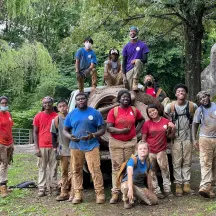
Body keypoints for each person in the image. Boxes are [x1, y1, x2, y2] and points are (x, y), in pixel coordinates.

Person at [63, 93, 106, 204]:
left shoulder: (95, 113)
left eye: (83, 99)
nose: (80, 101)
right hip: (76, 146)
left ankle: (100, 193)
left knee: (95, 169)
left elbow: (102, 129)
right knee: (76, 170)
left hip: (92, 145)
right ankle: (78, 194)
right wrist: (70, 136)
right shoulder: (71, 114)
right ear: (76, 102)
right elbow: (65, 130)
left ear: (87, 100)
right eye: (78, 99)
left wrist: (93, 135)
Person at [106, 90, 144, 204]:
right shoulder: (114, 111)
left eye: (127, 97)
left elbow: (141, 120)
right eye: (123, 97)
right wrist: (121, 131)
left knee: (129, 167)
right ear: (119, 99)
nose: (125, 99)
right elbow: (109, 128)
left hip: (130, 142)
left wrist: (135, 131)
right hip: (116, 142)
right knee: (116, 168)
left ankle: (128, 193)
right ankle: (115, 193)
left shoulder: (134, 110)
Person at [165, 84, 197, 196]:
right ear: (175, 94)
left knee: (187, 161)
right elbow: (165, 118)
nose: (181, 93)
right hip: (175, 138)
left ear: (186, 93)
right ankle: (178, 184)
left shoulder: (193, 106)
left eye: (183, 91)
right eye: (178, 91)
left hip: (188, 137)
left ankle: (186, 184)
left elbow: (197, 119)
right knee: (176, 162)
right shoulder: (170, 106)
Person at [142, 104, 175, 198]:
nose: (152, 113)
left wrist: (173, 128)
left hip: (161, 150)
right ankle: (156, 190)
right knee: (152, 171)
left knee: (165, 169)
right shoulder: (147, 124)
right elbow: (144, 139)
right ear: (148, 114)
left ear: (157, 110)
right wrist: (143, 151)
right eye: (150, 112)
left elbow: (171, 136)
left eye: (154, 110)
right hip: (150, 151)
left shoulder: (165, 121)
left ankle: (167, 190)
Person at [192, 91, 216, 198]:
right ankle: (205, 186)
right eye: (201, 99)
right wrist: (194, 139)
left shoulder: (215, 106)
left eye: (204, 97)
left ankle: (212, 188)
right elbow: (194, 125)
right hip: (205, 139)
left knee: (215, 163)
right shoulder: (199, 110)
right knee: (206, 161)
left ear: (209, 96)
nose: (203, 100)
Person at [120, 140, 158, 209]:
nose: (142, 150)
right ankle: (127, 200)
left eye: (145, 148)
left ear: (148, 150)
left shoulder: (148, 162)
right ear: (137, 150)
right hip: (128, 183)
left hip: (139, 186)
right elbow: (130, 174)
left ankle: (138, 198)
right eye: (140, 149)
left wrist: (150, 191)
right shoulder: (133, 160)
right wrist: (130, 188)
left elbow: (149, 178)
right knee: (126, 187)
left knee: (154, 201)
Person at [33, 96, 58, 197]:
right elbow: (35, 132)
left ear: (52, 103)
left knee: (54, 167)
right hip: (42, 145)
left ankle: (54, 187)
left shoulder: (56, 116)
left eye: (49, 102)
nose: (47, 104)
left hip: (54, 146)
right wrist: (36, 147)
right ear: (42, 104)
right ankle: (42, 188)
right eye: (45, 103)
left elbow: (59, 132)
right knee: (42, 167)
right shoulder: (38, 116)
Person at [50, 99, 72, 201]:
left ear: (67, 106)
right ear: (58, 108)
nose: (63, 108)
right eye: (60, 106)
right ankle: (64, 192)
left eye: (64, 105)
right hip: (62, 149)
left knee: (74, 171)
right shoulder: (56, 120)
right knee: (64, 171)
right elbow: (53, 135)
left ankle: (73, 192)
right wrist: (55, 149)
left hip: (74, 148)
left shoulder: (72, 116)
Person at [122, 26, 149, 91]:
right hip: (129, 69)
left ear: (136, 33)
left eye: (134, 31)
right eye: (131, 31)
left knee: (137, 61)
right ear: (129, 33)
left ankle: (135, 82)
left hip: (138, 67)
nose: (132, 32)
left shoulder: (143, 45)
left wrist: (136, 60)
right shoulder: (126, 46)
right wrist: (124, 76)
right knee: (129, 89)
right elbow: (124, 62)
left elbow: (145, 60)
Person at [0, 96, 14, 198]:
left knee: (6, 164)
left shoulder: (8, 114)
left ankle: (4, 184)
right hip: (1, 143)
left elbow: (10, 127)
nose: (4, 105)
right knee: (3, 164)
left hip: (9, 143)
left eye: (6, 103)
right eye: (2, 103)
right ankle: (2, 187)